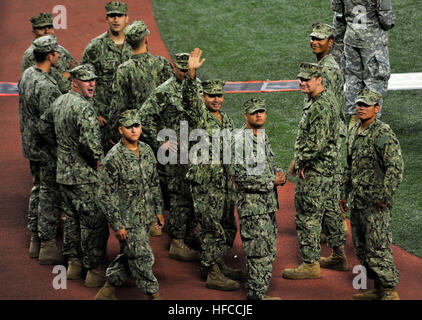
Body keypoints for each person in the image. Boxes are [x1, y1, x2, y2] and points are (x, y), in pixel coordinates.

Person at [183, 48, 242, 291]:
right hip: (205, 181)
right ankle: (212, 272)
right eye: (211, 96)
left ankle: (217, 261)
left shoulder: (225, 119)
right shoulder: (199, 117)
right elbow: (189, 100)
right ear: (204, 97)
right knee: (210, 225)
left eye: (219, 95)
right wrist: (191, 73)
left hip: (223, 181)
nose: (216, 99)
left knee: (228, 224)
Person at [282, 62, 347, 280]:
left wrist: (299, 162)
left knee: (307, 215)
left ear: (319, 80)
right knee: (331, 212)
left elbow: (315, 144)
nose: (302, 83)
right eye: (300, 79)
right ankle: (339, 255)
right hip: (328, 168)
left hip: (316, 171)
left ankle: (310, 264)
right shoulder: (322, 100)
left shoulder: (320, 106)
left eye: (307, 79)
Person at [341, 88, 403, 300]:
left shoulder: (383, 133)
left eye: (366, 105)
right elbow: (349, 166)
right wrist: (343, 193)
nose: (361, 107)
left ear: (377, 109)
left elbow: (395, 168)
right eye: (359, 104)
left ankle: (389, 291)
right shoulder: (353, 131)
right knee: (362, 248)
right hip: (358, 201)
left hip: (376, 204)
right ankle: (377, 288)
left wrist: (385, 197)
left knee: (378, 247)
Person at [95, 109, 164, 300]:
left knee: (131, 253)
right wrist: (117, 225)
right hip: (127, 219)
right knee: (143, 257)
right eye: (129, 127)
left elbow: (154, 182)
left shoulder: (147, 150)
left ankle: (107, 290)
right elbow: (105, 195)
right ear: (120, 130)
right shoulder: (113, 158)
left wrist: (158, 210)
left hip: (145, 214)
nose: (134, 130)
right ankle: (153, 294)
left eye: (137, 125)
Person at [139, 53, 201, 261]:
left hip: (195, 152)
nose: (185, 73)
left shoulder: (197, 87)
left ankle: (189, 232)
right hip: (174, 156)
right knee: (178, 197)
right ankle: (177, 241)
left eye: (188, 70)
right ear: (174, 67)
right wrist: (160, 142)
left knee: (193, 194)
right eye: (182, 69)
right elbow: (143, 118)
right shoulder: (163, 91)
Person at [52, 64, 109, 287]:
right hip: (83, 175)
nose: (92, 84)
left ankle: (73, 265)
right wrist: (99, 161)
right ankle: (93, 270)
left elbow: (45, 126)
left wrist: (63, 147)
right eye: (86, 80)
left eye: (93, 80)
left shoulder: (59, 101)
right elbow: (90, 144)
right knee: (93, 222)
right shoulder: (84, 108)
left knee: (72, 220)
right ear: (75, 82)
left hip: (63, 173)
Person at [230, 98, 286, 300]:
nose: (259, 115)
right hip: (253, 209)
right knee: (258, 253)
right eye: (254, 112)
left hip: (267, 206)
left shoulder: (261, 135)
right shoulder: (240, 141)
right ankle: (256, 297)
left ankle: (257, 293)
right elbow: (241, 177)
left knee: (268, 251)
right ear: (246, 116)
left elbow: (269, 163)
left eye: (261, 111)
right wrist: (272, 180)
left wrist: (279, 173)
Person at [18, 35, 64, 265]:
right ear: (49, 55)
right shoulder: (46, 86)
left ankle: (35, 238)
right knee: (49, 192)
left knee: (37, 188)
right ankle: (46, 244)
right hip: (46, 149)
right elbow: (49, 125)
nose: (59, 55)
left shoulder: (27, 75)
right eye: (56, 52)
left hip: (30, 145)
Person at [309, 22, 349, 239]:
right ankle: (330, 228)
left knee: (329, 180)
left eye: (320, 39)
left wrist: (320, 139)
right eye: (313, 38)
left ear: (330, 42)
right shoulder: (322, 65)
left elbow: (330, 108)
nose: (314, 42)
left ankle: (336, 229)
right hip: (326, 132)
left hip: (328, 133)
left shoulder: (328, 70)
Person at [108, 19, 174, 144]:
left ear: (127, 42)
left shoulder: (124, 70)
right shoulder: (162, 63)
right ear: (146, 39)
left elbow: (117, 106)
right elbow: (172, 98)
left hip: (136, 134)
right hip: (162, 133)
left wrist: (112, 132)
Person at [332, 0, 396, 128]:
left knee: (353, 78)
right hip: (373, 42)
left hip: (351, 38)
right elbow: (387, 21)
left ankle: (354, 117)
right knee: (375, 79)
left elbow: (337, 9)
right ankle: (369, 121)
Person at [81, 1, 132, 153]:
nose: (116, 20)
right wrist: (94, 111)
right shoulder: (95, 47)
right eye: (112, 16)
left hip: (130, 115)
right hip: (105, 117)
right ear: (107, 18)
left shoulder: (135, 43)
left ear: (126, 18)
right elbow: (83, 81)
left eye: (119, 16)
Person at [21, 12, 78, 93]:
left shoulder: (60, 49)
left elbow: (75, 66)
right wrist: (69, 74)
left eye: (49, 27)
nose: (47, 31)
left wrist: (69, 74)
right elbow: (45, 82)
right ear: (34, 32)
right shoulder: (32, 54)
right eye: (41, 29)